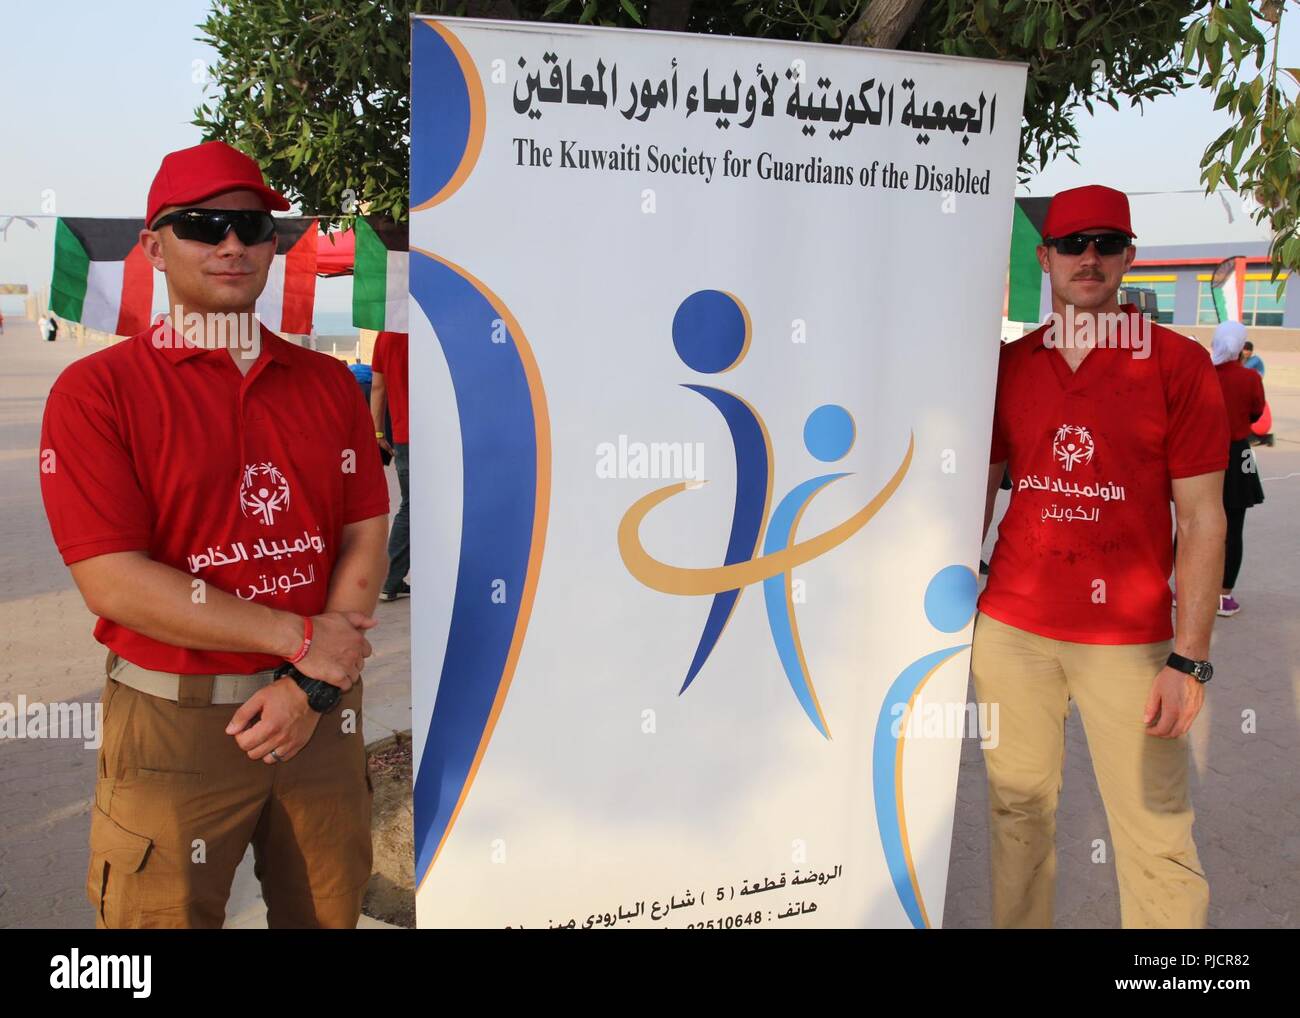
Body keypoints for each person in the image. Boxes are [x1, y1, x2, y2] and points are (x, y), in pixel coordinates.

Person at [38, 141, 390, 928]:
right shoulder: (98, 392)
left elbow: (366, 525)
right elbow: (112, 577)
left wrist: (311, 684)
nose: (230, 243)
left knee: (327, 913)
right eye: (202, 224)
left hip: (322, 719)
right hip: (175, 727)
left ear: (271, 244)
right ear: (154, 247)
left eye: (251, 224)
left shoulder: (329, 383)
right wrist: (306, 641)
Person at [975, 184, 1228, 929]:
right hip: (1014, 632)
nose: (1091, 258)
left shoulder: (1177, 366)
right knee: (1017, 819)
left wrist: (1190, 659)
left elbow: (1204, 518)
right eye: (1075, 244)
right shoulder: (1009, 366)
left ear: (1128, 258)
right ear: (1046, 257)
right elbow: (977, 498)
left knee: (1156, 833)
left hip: (1130, 643)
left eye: (1107, 244)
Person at [1211, 321, 1266, 617]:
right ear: (1242, 347)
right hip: (1236, 455)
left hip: (1202, 454)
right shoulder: (1249, 378)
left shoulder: (1201, 374)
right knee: (1233, 528)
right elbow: (1256, 412)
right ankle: (1224, 596)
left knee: (1191, 524)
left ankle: (1183, 591)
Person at [370, 330, 410, 601]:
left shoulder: (386, 335)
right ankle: (390, 578)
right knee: (417, 508)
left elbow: (378, 387)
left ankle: (393, 578)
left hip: (404, 434)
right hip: (442, 432)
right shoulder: (436, 319)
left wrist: (377, 433)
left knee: (411, 505)